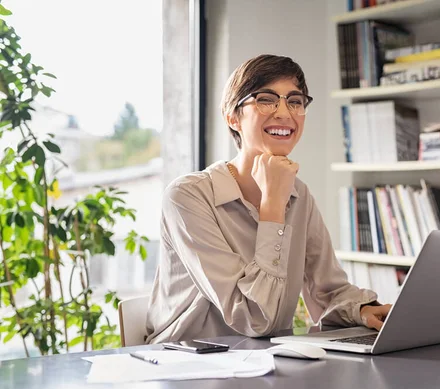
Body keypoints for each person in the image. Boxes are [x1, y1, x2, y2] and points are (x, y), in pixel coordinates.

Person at [145, 54, 391, 343]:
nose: (285, 113)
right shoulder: (186, 197)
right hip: (185, 367)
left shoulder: (300, 195)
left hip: (263, 362)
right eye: (266, 99)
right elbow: (254, 319)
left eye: (295, 101)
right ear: (232, 116)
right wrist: (272, 205)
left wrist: (363, 310)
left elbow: (327, 291)